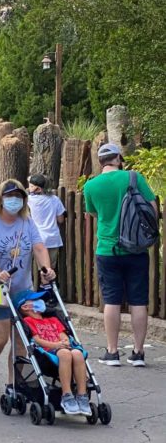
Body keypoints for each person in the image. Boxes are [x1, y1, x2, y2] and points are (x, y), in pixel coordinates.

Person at [0, 180, 56, 394]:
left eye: (19, 197)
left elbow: (39, 247)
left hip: (22, 289)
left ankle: (14, 384)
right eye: (10, 196)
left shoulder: (27, 222)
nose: (14, 201)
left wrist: (46, 268)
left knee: (21, 341)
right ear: (1, 199)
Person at [83, 143, 155, 367]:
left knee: (111, 301)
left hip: (107, 249)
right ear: (118, 158)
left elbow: (93, 212)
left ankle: (112, 352)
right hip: (136, 249)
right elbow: (152, 208)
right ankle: (138, 353)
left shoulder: (91, 185)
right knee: (138, 301)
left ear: (100, 161)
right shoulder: (134, 177)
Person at [18, 295, 91, 416]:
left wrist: (65, 341)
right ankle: (67, 395)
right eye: (35, 300)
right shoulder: (28, 321)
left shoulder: (53, 319)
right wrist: (56, 345)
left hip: (63, 347)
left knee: (78, 353)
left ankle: (82, 395)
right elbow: (37, 340)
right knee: (65, 354)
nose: (40, 302)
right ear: (25, 307)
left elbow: (63, 335)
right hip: (47, 352)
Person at [27, 173, 66, 285]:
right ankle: (49, 289)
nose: (29, 188)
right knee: (50, 268)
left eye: (31, 186)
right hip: (52, 238)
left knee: (42, 268)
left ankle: (44, 288)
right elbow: (61, 219)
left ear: (38, 189)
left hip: (38, 238)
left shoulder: (29, 200)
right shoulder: (55, 200)